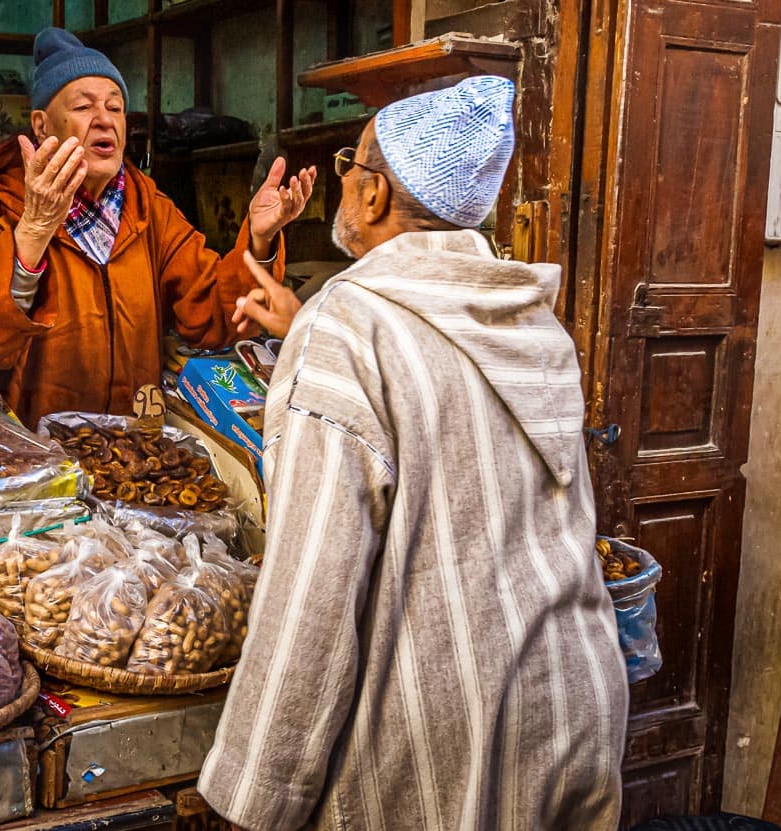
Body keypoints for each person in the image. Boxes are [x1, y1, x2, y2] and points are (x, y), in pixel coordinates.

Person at [199, 77, 629, 831]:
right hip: (573, 701)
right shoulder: (531, 320)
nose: (343, 185)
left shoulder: (346, 326)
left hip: (444, 736)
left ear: (374, 193)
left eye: (350, 166)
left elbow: (315, 588)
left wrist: (255, 795)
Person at [0, 28, 316, 424]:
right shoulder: (0, 212)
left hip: (131, 454)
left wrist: (260, 238)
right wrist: (35, 228)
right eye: (84, 108)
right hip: (39, 454)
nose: (104, 120)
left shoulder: (149, 210)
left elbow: (214, 316)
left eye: (115, 107)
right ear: (42, 125)